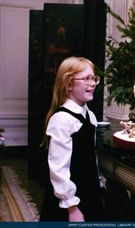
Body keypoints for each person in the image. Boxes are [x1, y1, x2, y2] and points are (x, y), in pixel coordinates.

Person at [39, 57, 104, 222]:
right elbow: (58, 170)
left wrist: (100, 182)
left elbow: (91, 157)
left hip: (90, 193)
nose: (93, 83)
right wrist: (72, 208)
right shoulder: (62, 120)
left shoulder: (90, 115)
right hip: (70, 202)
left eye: (94, 78)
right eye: (86, 78)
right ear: (68, 84)